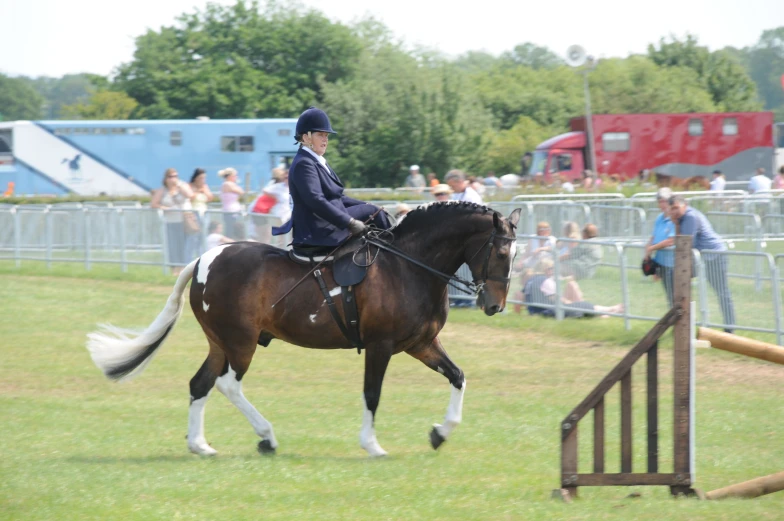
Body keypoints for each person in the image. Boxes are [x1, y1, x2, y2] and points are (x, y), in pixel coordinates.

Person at [272, 107, 391, 255]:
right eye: (320, 135)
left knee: (374, 210)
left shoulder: (316, 160)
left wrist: (367, 204)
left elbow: (338, 197)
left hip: (327, 221)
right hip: (318, 228)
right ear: (306, 137)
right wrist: (349, 222)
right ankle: (393, 255)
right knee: (374, 213)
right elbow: (315, 200)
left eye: (326, 136)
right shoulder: (304, 163)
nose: (325, 140)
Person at [669, 195, 736, 333]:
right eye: (672, 209)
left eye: (676, 207)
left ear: (684, 205)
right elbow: (681, 241)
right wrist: (676, 224)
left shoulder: (690, 217)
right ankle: (683, 326)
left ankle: (730, 328)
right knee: (680, 286)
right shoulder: (681, 219)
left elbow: (686, 243)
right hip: (702, 257)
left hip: (714, 255)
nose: (674, 211)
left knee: (722, 292)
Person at [521, 258, 623, 318]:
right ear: (544, 269)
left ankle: (610, 311)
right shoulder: (546, 281)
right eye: (550, 268)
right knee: (584, 305)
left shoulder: (531, 281)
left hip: (537, 312)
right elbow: (555, 300)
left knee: (581, 307)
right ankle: (612, 310)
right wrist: (570, 303)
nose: (552, 271)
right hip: (549, 312)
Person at [150, 168, 194, 276]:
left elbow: (190, 195)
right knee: (173, 246)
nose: (173, 179)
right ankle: (175, 268)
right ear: (166, 178)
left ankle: (184, 268)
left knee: (184, 245)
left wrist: (179, 185)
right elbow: (153, 204)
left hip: (184, 220)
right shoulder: (162, 191)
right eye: (171, 177)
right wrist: (163, 207)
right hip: (171, 221)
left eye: (175, 176)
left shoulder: (182, 186)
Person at [644, 188, 676, 307]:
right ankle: (674, 322)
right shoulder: (659, 218)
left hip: (673, 264)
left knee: (676, 296)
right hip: (662, 263)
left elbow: (670, 241)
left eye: (664, 201)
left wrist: (652, 248)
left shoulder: (674, 218)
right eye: (660, 201)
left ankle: (683, 323)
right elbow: (654, 237)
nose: (662, 204)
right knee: (670, 297)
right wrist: (648, 256)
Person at [249, 166, 291, 244]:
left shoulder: (289, 187)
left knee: (275, 237)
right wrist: (275, 197)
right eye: (285, 176)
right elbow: (265, 191)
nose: (286, 177)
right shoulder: (276, 186)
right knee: (264, 236)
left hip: (282, 216)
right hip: (266, 214)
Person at [185, 168, 214, 258]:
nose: (203, 180)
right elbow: (190, 197)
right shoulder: (189, 186)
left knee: (203, 237)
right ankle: (188, 258)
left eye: (204, 178)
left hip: (204, 213)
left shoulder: (205, 187)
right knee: (193, 237)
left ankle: (201, 257)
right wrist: (197, 191)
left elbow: (210, 198)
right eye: (201, 178)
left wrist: (204, 191)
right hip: (194, 214)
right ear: (196, 178)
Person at [219, 167, 245, 239]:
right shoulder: (227, 184)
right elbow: (241, 192)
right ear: (230, 176)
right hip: (230, 211)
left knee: (237, 231)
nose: (236, 177)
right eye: (235, 176)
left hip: (235, 211)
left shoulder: (230, 184)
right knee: (230, 231)